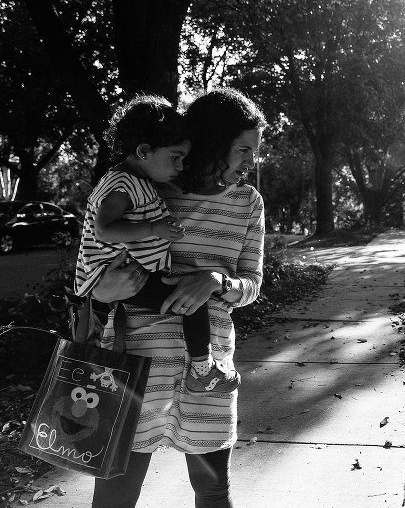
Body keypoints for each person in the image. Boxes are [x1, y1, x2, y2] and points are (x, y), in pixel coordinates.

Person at [88, 87, 267, 508]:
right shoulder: (149, 188)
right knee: (115, 492)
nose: (251, 162)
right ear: (212, 143)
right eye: (243, 150)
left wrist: (215, 280)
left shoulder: (248, 203)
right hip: (135, 367)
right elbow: (96, 257)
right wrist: (103, 289)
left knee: (212, 491)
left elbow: (252, 285)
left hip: (206, 370)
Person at [74, 94, 239, 395]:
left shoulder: (138, 180)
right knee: (192, 301)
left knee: (190, 296)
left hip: (131, 274)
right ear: (144, 151)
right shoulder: (120, 184)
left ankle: (201, 368)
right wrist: (154, 228)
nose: (180, 166)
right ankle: (203, 370)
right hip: (114, 277)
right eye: (175, 157)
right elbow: (104, 229)